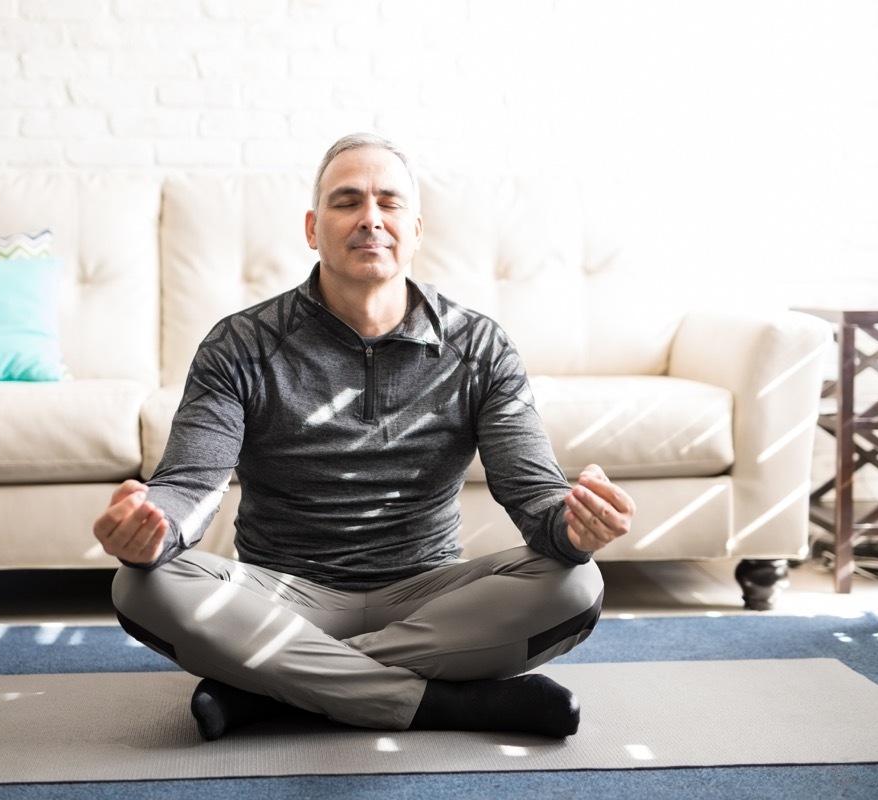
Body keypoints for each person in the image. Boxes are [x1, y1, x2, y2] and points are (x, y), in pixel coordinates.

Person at [94, 132, 636, 742]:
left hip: (432, 600)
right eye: (347, 201)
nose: (370, 219)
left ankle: (275, 685)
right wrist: (153, 528)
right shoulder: (239, 345)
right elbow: (188, 487)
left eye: (389, 202)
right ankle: (447, 704)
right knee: (143, 584)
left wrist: (573, 525)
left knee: (577, 581)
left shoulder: (479, 347)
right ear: (312, 227)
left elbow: (536, 499)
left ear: (418, 229)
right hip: (281, 595)